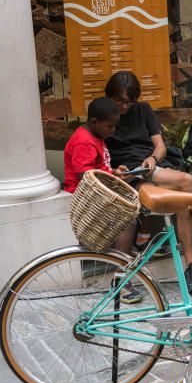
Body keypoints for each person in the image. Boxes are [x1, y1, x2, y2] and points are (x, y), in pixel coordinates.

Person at [104, 71, 192, 294]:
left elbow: (160, 147)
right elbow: (98, 154)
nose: (124, 106)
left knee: (185, 197)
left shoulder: (142, 110)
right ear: (110, 95)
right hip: (125, 176)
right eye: (120, 101)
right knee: (187, 183)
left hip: (149, 169)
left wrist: (152, 158)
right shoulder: (105, 114)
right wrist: (116, 172)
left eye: (129, 102)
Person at [63, 97, 143, 303]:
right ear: (94, 122)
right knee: (128, 220)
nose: (113, 131)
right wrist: (114, 177)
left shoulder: (95, 136)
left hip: (97, 191)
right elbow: (87, 177)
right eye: (109, 126)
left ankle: (122, 253)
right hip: (83, 195)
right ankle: (121, 280)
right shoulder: (84, 140)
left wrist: (115, 172)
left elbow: (98, 168)